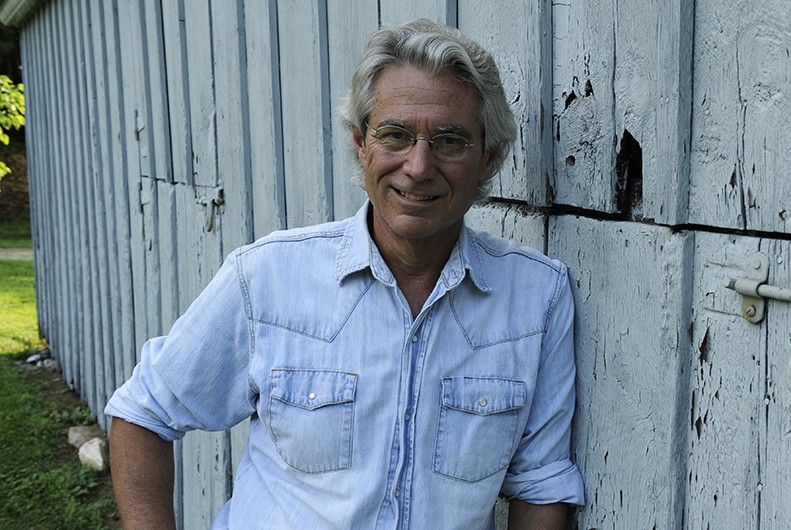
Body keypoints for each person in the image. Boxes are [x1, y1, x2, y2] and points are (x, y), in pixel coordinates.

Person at [106, 19, 584, 529]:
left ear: (489, 157)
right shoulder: (267, 278)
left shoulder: (537, 299)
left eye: (449, 141)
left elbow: (540, 485)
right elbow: (144, 414)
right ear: (360, 143)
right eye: (395, 135)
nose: (418, 166)